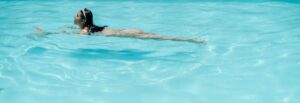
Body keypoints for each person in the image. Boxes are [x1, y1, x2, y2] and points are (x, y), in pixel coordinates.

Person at [74, 8, 205, 43]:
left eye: (77, 16)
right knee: (157, 36)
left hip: (124, 34)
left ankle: (191, 40)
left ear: (83, 21)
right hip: (127, 30)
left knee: (160, 38)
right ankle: (191, 40)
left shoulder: (84, 31)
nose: (74, 16)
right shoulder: (88, 27)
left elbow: (79, 35)